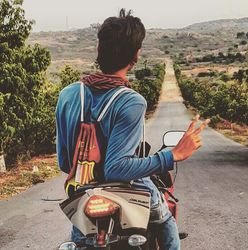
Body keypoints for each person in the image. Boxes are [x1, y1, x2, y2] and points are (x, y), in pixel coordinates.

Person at [56, 9, 209, 250]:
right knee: (167, 222)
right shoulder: (131, 101)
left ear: (99, 50)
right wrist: (172, 155)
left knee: (77, 238)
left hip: (84, 193)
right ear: (135, 56)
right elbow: (117, 168)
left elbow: (65, 163)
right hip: (130, 191)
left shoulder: (68, 95)